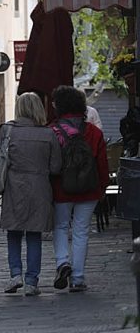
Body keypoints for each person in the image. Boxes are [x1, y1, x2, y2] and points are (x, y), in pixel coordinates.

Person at [0, 92, 62, 296]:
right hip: (39, 186)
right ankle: (32, 281)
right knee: (34, 234)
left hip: (14, 185)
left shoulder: (8, 131)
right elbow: (56, 167)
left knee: (13, 232)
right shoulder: (48, 134)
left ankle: (15, 273)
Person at [49, 85, 109, 292]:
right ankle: (78, 278)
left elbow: (50, 164)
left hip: (61, 189)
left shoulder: (52, 130)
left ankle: (62, 262)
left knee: (61, 226)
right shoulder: (93, 132)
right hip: (89, 188)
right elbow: (102, 162)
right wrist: (102, 187)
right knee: (81, 230)